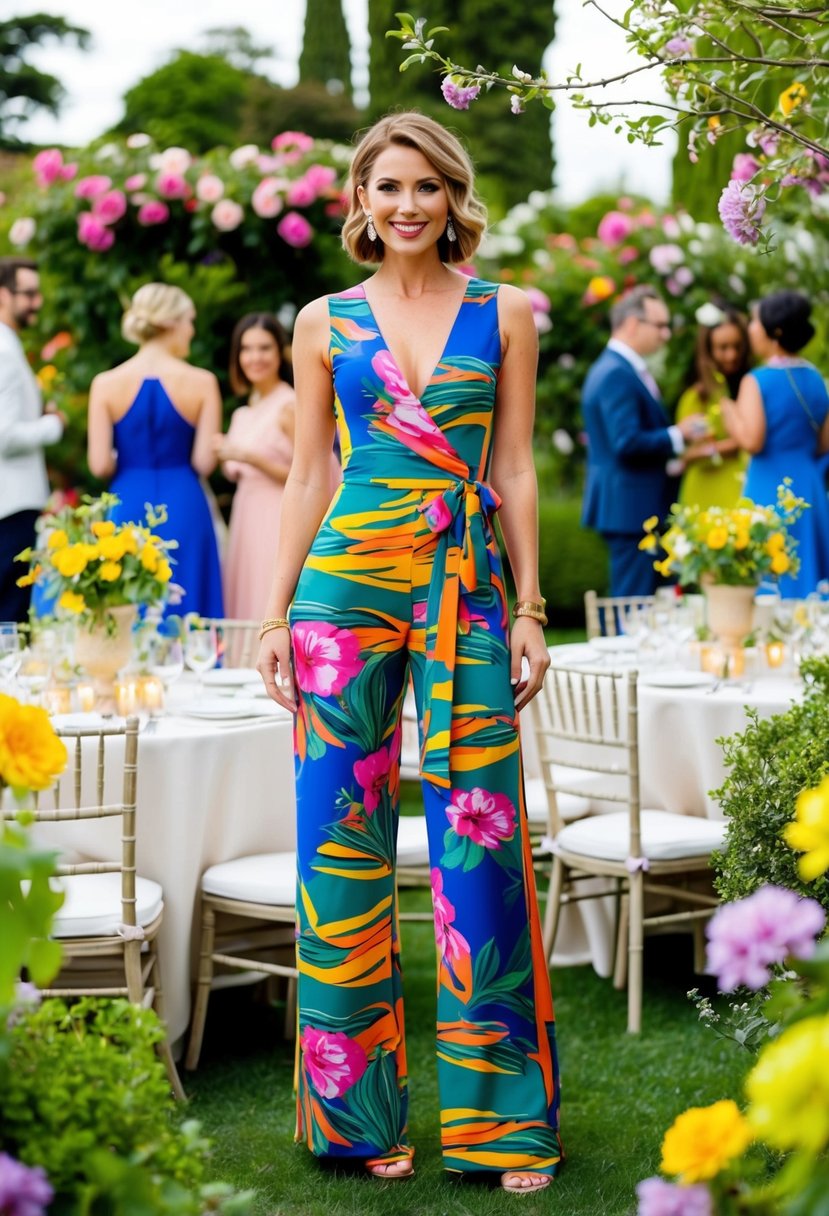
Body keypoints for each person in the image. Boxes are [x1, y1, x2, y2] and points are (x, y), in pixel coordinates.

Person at [256, 112, 561, 1193]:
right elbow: (309, 474)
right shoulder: (323, 321)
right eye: (388, 186)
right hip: (343, 591)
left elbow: (513, 465)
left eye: (426, 186)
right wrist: (272, 616)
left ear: (454, 197)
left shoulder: (504, 310)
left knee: (481, 840)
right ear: (360, 199)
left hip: (467, 585)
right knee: (339, 845)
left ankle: (501, 1126)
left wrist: (531, 605)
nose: (407, 205)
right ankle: (355, 1118)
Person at [87, 283, 224, 618]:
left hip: (127, 501)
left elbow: (99, 464)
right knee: (188, 602)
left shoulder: (105, 384)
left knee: (127, 603)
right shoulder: (203, 382)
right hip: (185, 501)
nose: (192, 330)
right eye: (189, 321)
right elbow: (203, 462)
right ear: (171, 322)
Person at [581, 285, 709, 596]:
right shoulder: (616, 372)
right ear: (632, 324)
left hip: (635, 507)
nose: (666, 334)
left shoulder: (619, 368)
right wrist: (679, 434)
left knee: (648, 604)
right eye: (660, 325)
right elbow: (626, 442)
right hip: (631, 510)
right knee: (633, 606)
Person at [215, 313, 340, 620]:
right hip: (245, 517)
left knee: (266, 596)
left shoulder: (289, 406)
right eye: (247, 349)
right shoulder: (244, 412)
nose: (254, 357)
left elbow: (319, 474)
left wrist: (252, 458)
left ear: (280, 352)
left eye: (264, 348)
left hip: (276, 516)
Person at [721, 290, 829, 598]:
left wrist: (730, 413)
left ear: (774, 332)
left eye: (755, 321)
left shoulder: (756, 380)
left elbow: (753, 441)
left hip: (769, 487)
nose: (751, 328)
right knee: (808, 576)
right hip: (810, 487)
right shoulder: (815, 376)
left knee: (770, 577)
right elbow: (824, 443)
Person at [0, 257, 65, 622]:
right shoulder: (5, 352)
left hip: (12, 505)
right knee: (9, 618)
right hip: (11, 506)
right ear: (2, 295)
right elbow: (5, 435)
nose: (37, 302)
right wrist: (52, 424)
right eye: (28, 293)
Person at [677, 304, 750, 511]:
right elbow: (690, 453)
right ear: (708, 350)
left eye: (737, 346)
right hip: (705, 490)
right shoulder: (698, 396)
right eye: (723, 348)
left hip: (741, 487)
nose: (732, 355)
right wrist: (737, 442)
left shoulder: (751, 386)